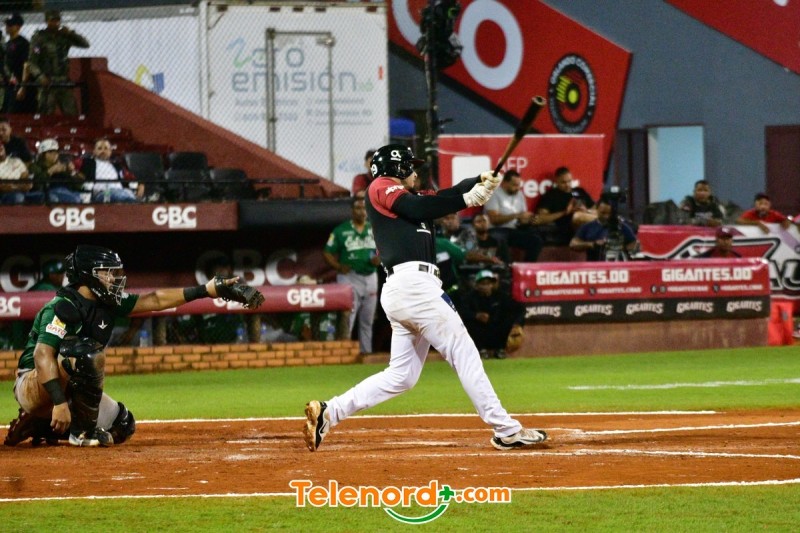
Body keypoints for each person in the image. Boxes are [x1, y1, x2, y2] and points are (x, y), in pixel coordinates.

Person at [303, 143, 547, 452]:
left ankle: (330, 412)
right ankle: (506, 430)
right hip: (413, 286)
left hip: (409, 289)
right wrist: (467, 199)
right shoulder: (381, 187)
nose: (415, 172)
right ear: (398, 167)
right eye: (410, 166)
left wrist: (479, 181)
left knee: (402, 376)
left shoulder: (412, 199)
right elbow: (421, 207)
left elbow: (443, 196)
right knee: (463, 351)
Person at [4, 244, 252, 448]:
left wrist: (206, 290)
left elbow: (155, 300)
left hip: (69, 386)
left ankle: (39, 425)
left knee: (122, 425)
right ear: (88, 275)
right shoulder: (62, 306)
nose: (113, 278)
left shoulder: (108, 302)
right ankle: (80, 432)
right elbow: (43, 355)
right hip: (35, 383)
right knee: (84, 352)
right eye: (107, 272)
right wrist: (58, 402)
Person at [323, 196, 379, 354]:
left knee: (367, 320)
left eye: (364, 208)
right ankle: (344, 353)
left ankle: (366, 353)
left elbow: (385, 248)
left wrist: (379, 259)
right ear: (352, 211)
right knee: (348, 317)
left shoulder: (375, 228)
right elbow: (327, 252)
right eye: (358, 208)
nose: (362, 212)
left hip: (370, 276)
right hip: (350, 277)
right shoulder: (341, 230)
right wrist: (338, 266)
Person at [25, 10, 90, 116]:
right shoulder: (39, 38)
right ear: (47, 21)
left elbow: (85, 44)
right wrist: (40, 77)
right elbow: (32, 62)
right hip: (48, 82)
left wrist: (70, 33)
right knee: (46, 114)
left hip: (63, 81)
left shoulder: (64, 36)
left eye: (57, 20)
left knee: (72, 114)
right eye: (52, 20)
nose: (55, 23)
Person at [458, 270, 524, 360]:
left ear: (492, 285)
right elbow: (462, 312)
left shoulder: (501, 296)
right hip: (478, 333)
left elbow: (520, 309)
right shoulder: (469, 297)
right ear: (477, 285)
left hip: (496, 332)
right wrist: (476, 315)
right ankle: (481, 350)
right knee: (469, 323)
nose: (486, 286)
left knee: (507, 319)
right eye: (483, 284)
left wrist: (517, 324)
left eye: (488, 283)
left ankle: (500, 349)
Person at [483, 169, 543, 261]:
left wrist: (530, 219)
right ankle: (507, 267)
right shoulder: (494, 194)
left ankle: (526, 267)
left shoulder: (519, 194)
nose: (517, 188)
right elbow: (494, 219)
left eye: (519, 185)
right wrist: (516, 215)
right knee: (501, 239)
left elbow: (522, 218)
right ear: (504, 183)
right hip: (496, 229)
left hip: (514, 229)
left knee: (536, 240)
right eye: (514, 185)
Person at [535, 166, 597, 243]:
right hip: (568, 226)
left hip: (587, 222)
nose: (567, 185)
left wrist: (586, 210)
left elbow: (595, 209)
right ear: (556, 181)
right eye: (563, 182)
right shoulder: (551, 195)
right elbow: (540, 219)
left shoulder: (579, 191)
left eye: (569, 181)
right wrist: (565, 212)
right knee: (577, 216)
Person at [569, 197, 638, 261]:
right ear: (596, 210)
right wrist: (592, 244)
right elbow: (573, 244)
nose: (606, 216)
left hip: (617, 266)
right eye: (603, 213)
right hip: (595, 267)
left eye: (609, 213)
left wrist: (618, 247)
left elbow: (634, 246)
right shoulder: (588, 227)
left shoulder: (621, 226)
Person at [75, 138, 142, 203]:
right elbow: (72, 167)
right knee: (121, 195)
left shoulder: (117, 166)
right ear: (94, 151)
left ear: (110, 151)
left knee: (128, 193)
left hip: (122, 192)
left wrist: (141, 185)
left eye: (106, 148)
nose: (103, 151)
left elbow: (130, 177)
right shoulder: (87, 163)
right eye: (99, 148)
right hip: (103, 193)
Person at [28, 138, 83, 204]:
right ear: (43, 154)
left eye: (56, 152)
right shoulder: (35, 166)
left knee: (79, 196)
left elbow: (79, 186)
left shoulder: (62, 166)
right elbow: (36, 185)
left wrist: (72, 172)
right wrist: (50, 171)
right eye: (51, 152)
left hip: (65, 191)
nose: (55, 154)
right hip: (44, 193)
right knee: (55, 197)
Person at [3, 13, 36, 114]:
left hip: (20, 86)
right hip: (10, 86)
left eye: (10, 25)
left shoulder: (23, 44)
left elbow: (27, 65)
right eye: (6, 24)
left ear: (18, 27)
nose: (7, 27)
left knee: (17, 114)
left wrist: (23, 86)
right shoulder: (7, 44)